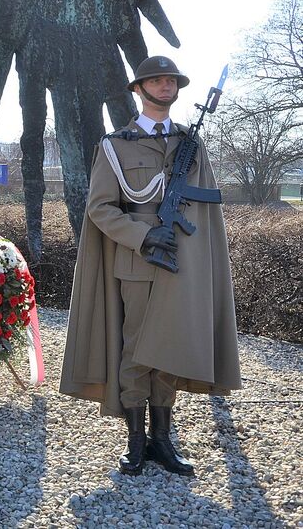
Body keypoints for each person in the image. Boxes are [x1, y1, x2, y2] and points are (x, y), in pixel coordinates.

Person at [60, 56, 241, 477]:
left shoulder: (189, 143)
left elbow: (206, 207)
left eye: (170, 81)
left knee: (169, 350)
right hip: (138, 263)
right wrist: (143, 235)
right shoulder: (115, 144)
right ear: (138, 89)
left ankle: (163, 439)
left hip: (182, 264)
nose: (165, 86)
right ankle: (136, 443)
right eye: (156, 81)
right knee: (138, 351)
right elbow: (100, 208)